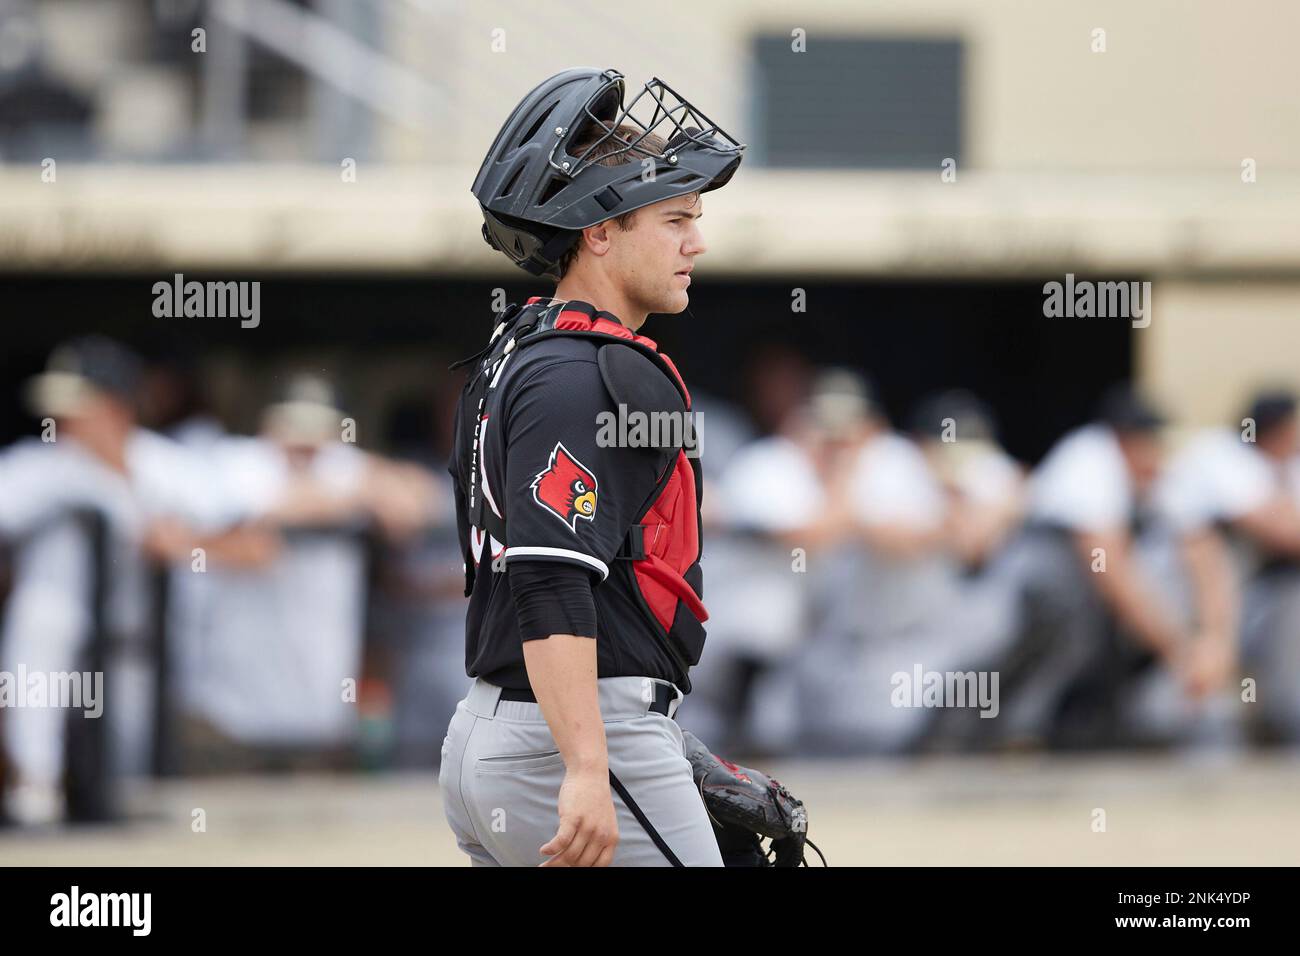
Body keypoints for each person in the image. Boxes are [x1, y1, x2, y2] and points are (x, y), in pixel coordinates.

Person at [439, 67, 745, 866]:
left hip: (509, 725)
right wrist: (587, 766)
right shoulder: (581, 371)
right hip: (569, 733)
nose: (697, 242)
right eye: (675, 217)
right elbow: (549, 577)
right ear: (599, 229)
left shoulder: (527, 348)